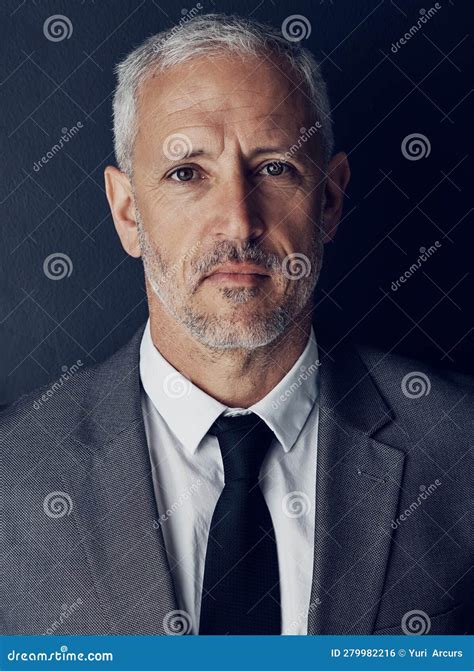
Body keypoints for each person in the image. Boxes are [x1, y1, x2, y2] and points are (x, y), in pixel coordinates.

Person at [1, 14, 472, 636]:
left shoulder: (460, 449)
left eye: (274, 168)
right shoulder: (14, 471)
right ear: (126, 212)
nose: (238, 222)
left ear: (329, 200)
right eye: (187, 173)